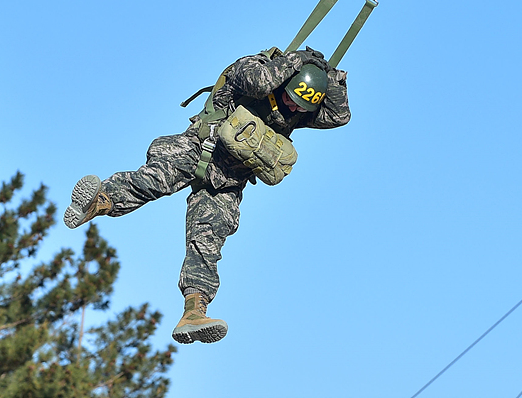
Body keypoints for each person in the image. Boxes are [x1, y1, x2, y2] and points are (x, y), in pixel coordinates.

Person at [64, 47, 350, 344]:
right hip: (196, 150)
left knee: (207, 242)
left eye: (304, 106)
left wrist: (333, 78)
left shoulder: (295, 112)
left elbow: (339, 115)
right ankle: (97, 201)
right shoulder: (252, 70)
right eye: (293, 98)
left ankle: (194, 313)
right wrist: (296, 61)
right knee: (151, 181)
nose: (295, 108)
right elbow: (259, 81)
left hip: (227, 182)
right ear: (286, 81)